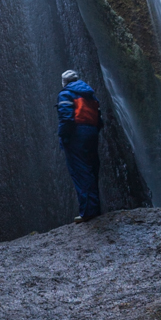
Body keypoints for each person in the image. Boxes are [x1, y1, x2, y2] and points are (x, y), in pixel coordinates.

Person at [57, 69, 102, 223]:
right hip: (92, 132)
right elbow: (99, 117)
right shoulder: (90, 95)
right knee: (91, 169)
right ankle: (95, 208)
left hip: (77, 134)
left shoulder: (66, 94)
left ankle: (88, 211)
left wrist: (64, 136)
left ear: (65, 82)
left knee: (80, 171)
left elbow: (66, 118)